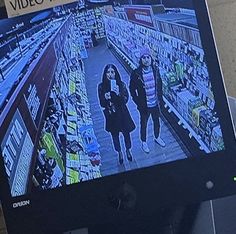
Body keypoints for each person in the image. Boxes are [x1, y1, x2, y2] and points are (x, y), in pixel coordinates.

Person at [129, 47, 166, 154]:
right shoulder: (136, 73)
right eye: (143, 57)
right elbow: (131, 89)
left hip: (155, 104)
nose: (146, 59)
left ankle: (157, 137)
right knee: (144, 124)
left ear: (151, 58)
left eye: (148, 57)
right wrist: (137, 101)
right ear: (141, 60)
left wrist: (160, 99)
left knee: (156, 122)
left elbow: (160, 85)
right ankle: (144, 142)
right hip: (144, 105)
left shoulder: (156, 70)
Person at [98, 64, 135, 164]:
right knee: (114, 135)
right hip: (111, 115)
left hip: (122, 113)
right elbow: (101, 104)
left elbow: (126, 100)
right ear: (105, 74)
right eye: (108, 72)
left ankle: (128, 150)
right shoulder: (101, 87)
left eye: (112, 72)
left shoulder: (121, 84)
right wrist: (105, 98)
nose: (110, 74)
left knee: (126, 133)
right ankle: (119, 152)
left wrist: (119, 94)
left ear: (116, 73)